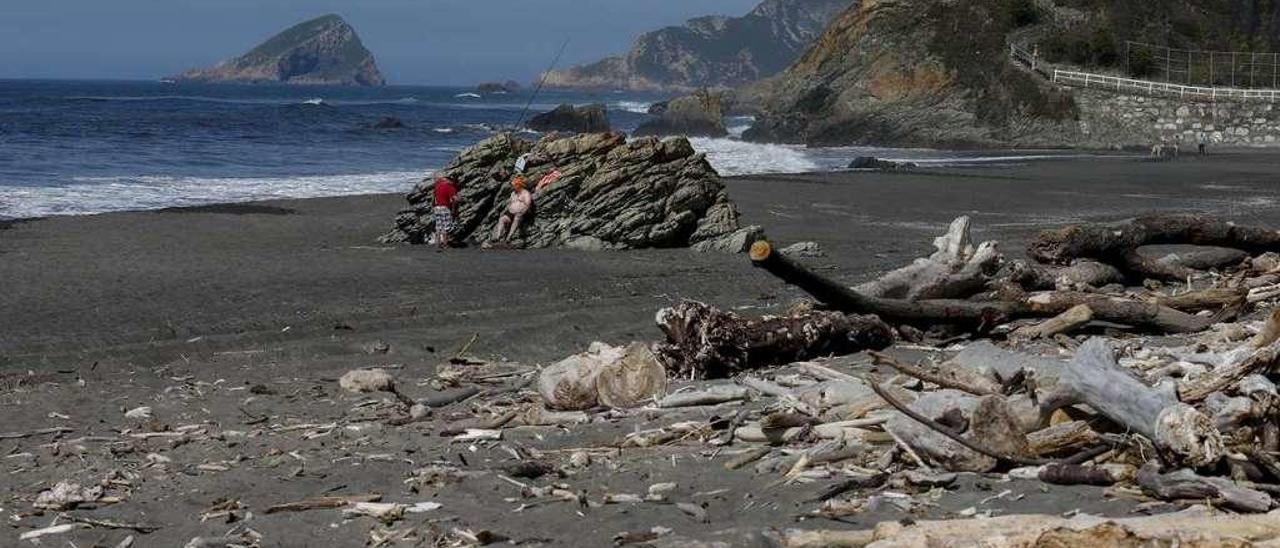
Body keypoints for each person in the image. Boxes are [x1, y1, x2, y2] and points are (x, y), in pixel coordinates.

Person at [492, 175, 533, 243]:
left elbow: (528, 204)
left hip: (521, 213)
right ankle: (497, 236)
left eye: (514, 185)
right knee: (502, 219)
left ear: (519, 185)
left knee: (517, 218)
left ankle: (509, 237)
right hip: (511, 212)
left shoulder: (525, 193)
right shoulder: (513, 193)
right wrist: (506, 211)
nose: (513, 187)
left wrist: (523, 211)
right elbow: (510, 203)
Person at [431, 175, 459, 250]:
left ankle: (437, 244)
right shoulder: (450, 187)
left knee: (438, 226)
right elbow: (455, 199)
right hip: (445, 207)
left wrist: (433, 207)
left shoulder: (437, 186)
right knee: (445, 227)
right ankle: (445, 245)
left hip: (437, 207)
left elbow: (433, 199)